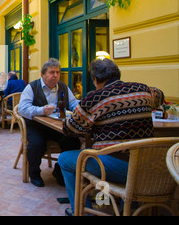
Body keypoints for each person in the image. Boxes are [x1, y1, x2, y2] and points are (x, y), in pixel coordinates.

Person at [58, 58, 164, 216]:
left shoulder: (95, 98)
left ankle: (80, 212)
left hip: (117, 167)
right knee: (129, 152)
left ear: (95, 79)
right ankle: (130, 207)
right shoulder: (144, 90)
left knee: (65, 159)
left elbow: (70, 128)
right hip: (149, 164)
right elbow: (160, 96)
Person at [18, 58, 80, 187]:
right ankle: (34, 173)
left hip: (56, 126)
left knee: (73, 141)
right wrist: (41, 110)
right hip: (36, 126)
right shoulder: (32, 87)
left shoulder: (63, 87)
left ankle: (60, 170)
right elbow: (22, 109)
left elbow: (73, 103)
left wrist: (80, 108)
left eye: (58, 72)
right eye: (52, 72)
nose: (55, 75)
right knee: (36, 144)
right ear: (43, 74)